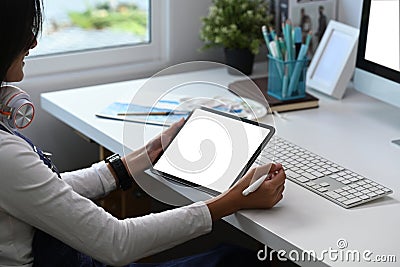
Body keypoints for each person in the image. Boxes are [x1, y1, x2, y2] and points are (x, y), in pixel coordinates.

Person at [0, 1, 286, 266]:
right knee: (235, 261)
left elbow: (46, 192)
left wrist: (141, 158)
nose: (34, 41)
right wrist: (232, 201)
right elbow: (117, 241)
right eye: (24, 30)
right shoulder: (6, 155)